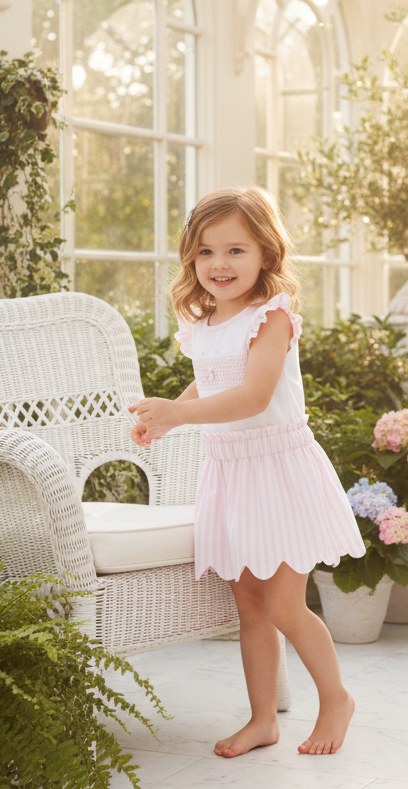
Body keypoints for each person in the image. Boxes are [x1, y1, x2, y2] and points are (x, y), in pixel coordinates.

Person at [129, 186, 365, 757]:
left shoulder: (272, 318)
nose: (219, 264)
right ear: (191, 260)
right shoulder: (205, 322)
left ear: (266, 253)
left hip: (279, 474)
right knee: (251, 607)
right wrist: (171, 418)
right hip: (231, 474)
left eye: (236, 250)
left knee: (285, 604)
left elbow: (254, 395)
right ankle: (263, 719)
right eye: (206, 253)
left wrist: (180, 413)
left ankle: (336, 698)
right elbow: (213, 380)